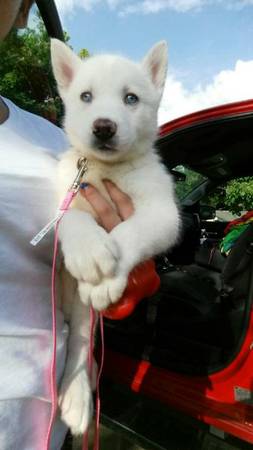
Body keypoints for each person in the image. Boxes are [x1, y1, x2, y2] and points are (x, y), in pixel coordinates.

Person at [0, 1, 133, 449]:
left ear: (22, 15)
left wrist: (126, 268)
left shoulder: (53, 143)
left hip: (36, 420)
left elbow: (96, 277)